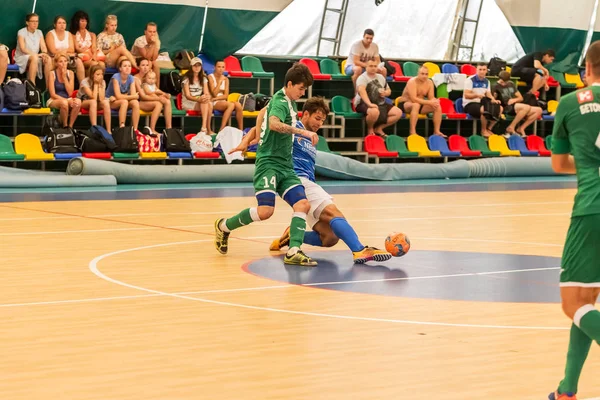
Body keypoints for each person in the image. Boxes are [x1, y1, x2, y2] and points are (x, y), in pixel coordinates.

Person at [231, 97, 392, 263]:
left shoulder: (312, 137)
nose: (319, 123)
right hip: (297, 180)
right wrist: (245, 141)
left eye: (322, 120)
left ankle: (292, 235)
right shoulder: (293, 128)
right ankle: (359, 250)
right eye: (317, 118)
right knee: (333, 213)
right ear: (305, 114)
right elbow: (263, 122)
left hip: (307, 184)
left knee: (329, 237)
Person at [214, 63, 319, 266]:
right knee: (265, 211)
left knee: (302, 204)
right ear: (290, 84)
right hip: (269, 163)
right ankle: (224, 226)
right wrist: (304, 132)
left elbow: (261, 117)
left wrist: (247, 139)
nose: (303, 92)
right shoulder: (281, 102)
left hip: (285, 166)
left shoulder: (286, 101)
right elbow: (272, 123)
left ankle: (294, 251)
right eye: (301, 88)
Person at [548, 40, 600, 400]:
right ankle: (567, 390)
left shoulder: (571, 102)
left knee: (572, 303)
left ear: (588, 69)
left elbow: (558, 164)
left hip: (593, 206)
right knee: (586, 301)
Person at [354, 59, 402, 137]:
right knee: (374, 111)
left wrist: (386, 93)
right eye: (371, 66)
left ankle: (379, 128)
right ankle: (370, 129)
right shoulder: (362, 78)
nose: (373, 68)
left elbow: (389, 90)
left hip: (380, 101)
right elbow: (362, 92)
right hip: (362, 102)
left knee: (398, 112)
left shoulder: (381, 77)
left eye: (375, 66)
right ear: (366, 67)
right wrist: (369, 104)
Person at [396, 65, 446, 137]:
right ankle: (412, 131)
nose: (424, 76)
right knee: (416, 105)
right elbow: (413, 99)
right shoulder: (412, 82)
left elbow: (431, 97)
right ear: (418, 73)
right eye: (422, 74)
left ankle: (437, 131)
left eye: (426, 74)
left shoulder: (429, 83)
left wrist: (435, 101)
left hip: (420, 104)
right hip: (406, 104)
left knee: (437, 106)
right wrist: (429, 102)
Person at [492, 70, 542, 137]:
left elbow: (520, 98)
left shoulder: (511, 84)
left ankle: (521, 128)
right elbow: (493, 100)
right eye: (502, 82)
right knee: (526, 107)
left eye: (505, 82)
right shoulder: (495, 86)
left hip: (515, 105)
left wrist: (514, 100)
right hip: (506, 107)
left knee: (539, 110)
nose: (504, 84)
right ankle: (511, 127)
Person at [462, 63, 502, 137]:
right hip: (470, 104)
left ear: (486, 71)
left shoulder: (487, 81)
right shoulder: (470, 80)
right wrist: (477, 95)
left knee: (500, 108)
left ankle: (489, 129)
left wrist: (493, 99)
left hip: (482, 103)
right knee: (485, 109)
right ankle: (483, 131)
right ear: (476, 70)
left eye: (484, 70)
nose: (482, 71)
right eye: (480, 69)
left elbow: (488, 93)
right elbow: (466, 95)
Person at [46, 15, 85, 82]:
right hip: (55, 58)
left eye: (64, 23)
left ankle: (83, 85)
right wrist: (65, 51)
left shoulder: (68, 34)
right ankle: (48, 87)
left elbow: (71, 49)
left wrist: (61, 51)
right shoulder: (50, 34)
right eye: (59, 23)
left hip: (68, 58)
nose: (62, 25)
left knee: (79, 61)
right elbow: (53, 51)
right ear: (55, 25)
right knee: (51, 62)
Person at [46, 52, 81, 128]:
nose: (64, 64)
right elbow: (52, 94)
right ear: (56, 63)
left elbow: (70, 93)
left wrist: (65, 77)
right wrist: (67, 100)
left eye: (65, 61)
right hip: (53, 99)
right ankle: (64, 126)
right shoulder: (52, 74)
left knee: (78, 102)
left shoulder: (70, 73)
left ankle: (70, 126)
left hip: (67, 98)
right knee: (64, 103)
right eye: (61, 61)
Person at [15, 13, 52, 83]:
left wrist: (44, 53)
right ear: (27, 22)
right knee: (34, 58)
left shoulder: (39, 32)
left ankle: (48, 86)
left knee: (48, 59)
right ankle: (32, 84)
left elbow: (43, 46)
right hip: (22, 57)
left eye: (37, 21)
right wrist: (36, 55)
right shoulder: (21, 32)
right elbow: (23, 49)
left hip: (36, 56)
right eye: (33, 21)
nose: (35, 23)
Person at [133, 58, 167, 135]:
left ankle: (169, 128)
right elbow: (142, 96)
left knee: (167, 101)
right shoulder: (136, 79)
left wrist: (164, 94)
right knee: (159, 103)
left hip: (148, 100)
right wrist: (158, 98)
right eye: (143, 65)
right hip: (138, 102)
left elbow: (155, 89)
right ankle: (152, 129)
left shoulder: (149, 77)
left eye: (147, 65)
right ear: (138, 67)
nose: (145, 67)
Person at [208, 60, 243, 131]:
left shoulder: (226, 79)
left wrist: (215, 98)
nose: (221, 69)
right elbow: (214, 93)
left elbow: (226, 96)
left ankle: (241, 130)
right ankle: (222, 129)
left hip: (219, 100)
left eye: (223, 67)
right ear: (215, 67)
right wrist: (220, 82)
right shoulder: (210, 77)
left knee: (238, 105)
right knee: (231, 105)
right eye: (219, 67)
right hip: (213, 103)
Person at [106, 58, 140, 130]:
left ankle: (135, 129)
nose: (127, 68)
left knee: (135, 102)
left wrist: (131, 96)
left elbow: (133, 97)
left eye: (129, 66)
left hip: (123, 100)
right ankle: (122, 126)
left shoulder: (131, 78)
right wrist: (131, 96)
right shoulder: (116, 77)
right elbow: (118, 96)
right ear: (120, 68)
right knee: (124, 102)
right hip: (111, 100)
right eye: (125, 66)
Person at [181, 57, 212, 134]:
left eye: (199, 65)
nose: (197, 67)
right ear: (191, 66)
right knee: (206, 103)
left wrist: (207, 97)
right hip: (188, 102)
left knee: (209, 103)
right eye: (195, 65)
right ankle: (205, 128)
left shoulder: (204, 78)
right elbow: (187, 95)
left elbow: (206, 92)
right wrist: (199, 99)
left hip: (199, 101)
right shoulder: (186, 78)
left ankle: (206, 128)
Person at [77, 64, 111, 131]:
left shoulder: (103, 82)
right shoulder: (85, 82)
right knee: (93, 102)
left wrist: (99, 85)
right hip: (83, 101)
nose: (100, 77)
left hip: (95, 102)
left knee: (106, 103)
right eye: (98, 74)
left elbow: (101, 98)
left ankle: (109, 130)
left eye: (101, 74)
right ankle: (94, 127)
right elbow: (93, 98)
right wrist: (96, 84)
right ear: (92, 75)